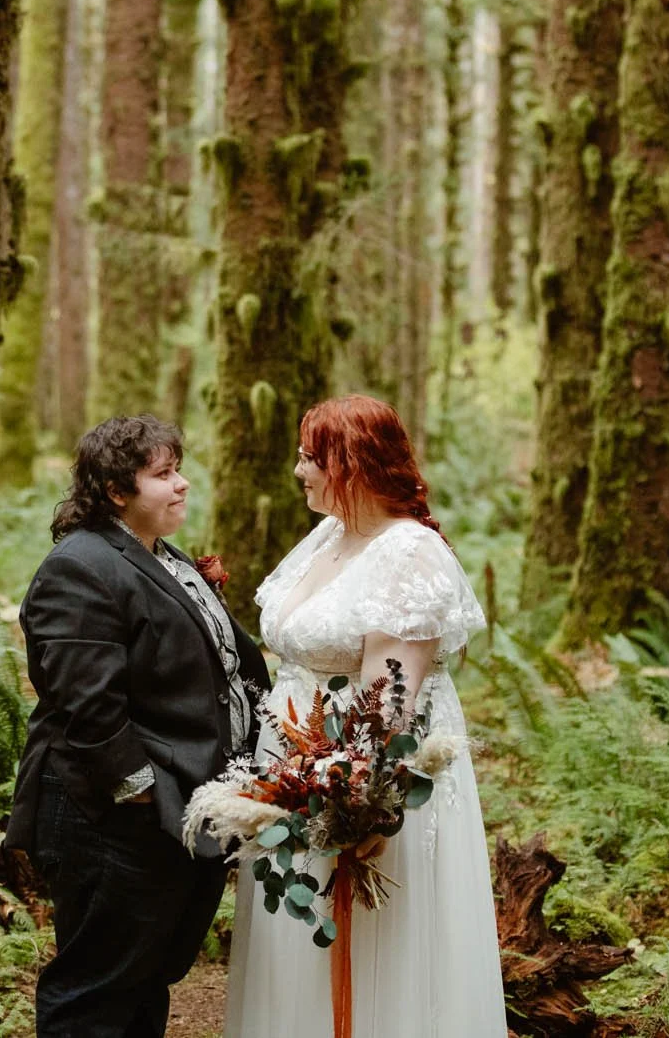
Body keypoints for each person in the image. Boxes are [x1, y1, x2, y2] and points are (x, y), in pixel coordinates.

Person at [224, 394, 505, 1037]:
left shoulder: (409, 552)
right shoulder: (332, 531)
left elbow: (392, 696)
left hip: (363, 766)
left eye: (310, 458)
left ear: (353, 463)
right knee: (295, 934)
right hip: (295, 757)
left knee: (370, 939)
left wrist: (369, 801)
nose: (299, 471)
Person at [5, 415, 271, 1038]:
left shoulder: (162, 557)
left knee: (146, 978)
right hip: (112, 818)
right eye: (162, 474)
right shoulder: (81, 567)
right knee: (95, 992)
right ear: (116, 491)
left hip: (181, 807)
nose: (181, 485)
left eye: (178, 469)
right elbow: (86, 703)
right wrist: (145, 792)